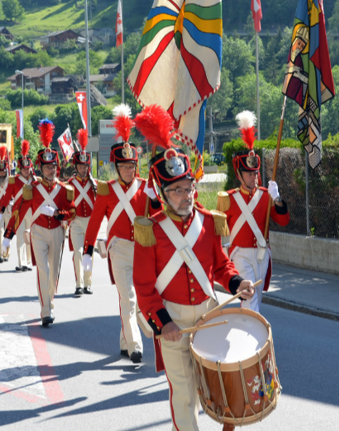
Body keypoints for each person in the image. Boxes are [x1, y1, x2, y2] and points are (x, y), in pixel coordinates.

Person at [132, 106, 255, 431]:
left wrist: (236, 282)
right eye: (177, 190)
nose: (186, 195)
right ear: (162, 193)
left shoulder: (208, 221)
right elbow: (144, 287)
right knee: (184, 393)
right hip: (172, 320)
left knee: (215, 386)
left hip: (208, 315)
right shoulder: (150, 230)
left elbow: (220, 266)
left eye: (188, 187)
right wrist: (163, 323)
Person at [82, 104, 159, 363]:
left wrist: (156, 200)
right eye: (124, 166)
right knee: (128, 297)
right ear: (116, 166)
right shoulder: (107, 190)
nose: (129, 170)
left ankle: (125, 342)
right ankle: (136, 345)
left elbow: (158, 218)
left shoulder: (147, 187)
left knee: (138, 299)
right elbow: (94, 222)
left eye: (132, 166)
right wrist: (87, 250)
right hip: (119, 249)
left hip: (143, 249)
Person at [217, 111, 289, 312]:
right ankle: (255, 341)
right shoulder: (229, 199)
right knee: (249, 299)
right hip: (240, 255)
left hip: (263, 255)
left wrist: (278, 199)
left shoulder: (266, 196)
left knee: (256, 299)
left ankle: (247, 332)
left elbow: (283, 221)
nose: (254, 177)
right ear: (239, 174)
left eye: (255, 173)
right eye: (249, 174)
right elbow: (218, 232)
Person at [5, 119, 73, 327]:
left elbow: (72, 212)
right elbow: (18, 211)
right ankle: (46, 310)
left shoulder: (64, 189)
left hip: (57, 233)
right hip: (38, 232)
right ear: (40, 168)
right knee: (42, 270)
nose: (51, 170)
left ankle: (49, 301)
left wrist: (59, 214)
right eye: (47, 167)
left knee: (53, 273)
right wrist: (8, 236)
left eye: (53, 166)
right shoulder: (32, 188)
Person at [65, 129, 95, 295]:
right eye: (81, 166)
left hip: (91, 222)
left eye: (86, 166)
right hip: (76, 222)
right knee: (77, 253)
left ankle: (88, 283)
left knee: (88, 254)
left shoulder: (94, 184)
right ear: (76, 167)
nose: (84, 169)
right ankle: (79, 283)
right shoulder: (70, 183)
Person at [1, 140, 35, 272]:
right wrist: (2, 209)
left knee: (29, 237)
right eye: (24, 169)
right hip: (19, 211)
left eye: (28, 169)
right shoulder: (14, 180)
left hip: (31, 211)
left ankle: (27, 261)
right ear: (20, 169)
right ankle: (21, 263)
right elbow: (7, 195)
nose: (26, 171)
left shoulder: (34, 180)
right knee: (20, 237)